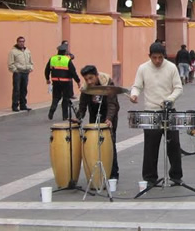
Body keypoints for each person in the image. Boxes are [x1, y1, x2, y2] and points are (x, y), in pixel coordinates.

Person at [130, 43, 183, 185]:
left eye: (160, 58)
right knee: (150, 146)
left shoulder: (171, 67)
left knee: (174, 144)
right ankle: (150, 177)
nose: (158, 61)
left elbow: (178, 88)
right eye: (154, 58)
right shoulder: (143, 68)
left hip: (169, 110)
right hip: (151, 110)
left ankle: (176, 175)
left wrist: (169, 99)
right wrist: (134, 94)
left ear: (164, 56)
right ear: (150, 56)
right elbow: (137, 86)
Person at [78, 65, 120, 180]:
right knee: (95, 144)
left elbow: (113, 104)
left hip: (109, 116)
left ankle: (113, 174)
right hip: (94, 115)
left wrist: (109, 118)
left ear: (97, 75)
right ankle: (97, 173)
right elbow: (82, 105)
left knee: (110, 143)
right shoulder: (86, 87)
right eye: (86, 79)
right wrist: (79, 117)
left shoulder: (108, 83)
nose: (89, 81)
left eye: (91, 78)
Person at [45, 43, 81, 120]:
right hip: (66, 82)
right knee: (66, 99)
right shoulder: (67, 60)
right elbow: (73, 72)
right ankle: (65, 116)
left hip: (55, 81)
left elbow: (47, 69)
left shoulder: (52, 59)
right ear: (65, 52)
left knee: (56, 97)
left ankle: (52, 110)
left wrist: (47, 79)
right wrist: (78, 81)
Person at [8, 36, 33, 112]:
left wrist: (30, 68)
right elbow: (10, 63)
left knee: (24, 89)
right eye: (20, 41)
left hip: (26, 72)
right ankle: (15, 105)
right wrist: (15, 70)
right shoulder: (13, 52)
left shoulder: (27, 51)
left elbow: (30, 61)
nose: (22, 43)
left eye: (23, 41)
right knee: (17, 89)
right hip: (18, 73)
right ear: (17, 42)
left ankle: (23, 105)